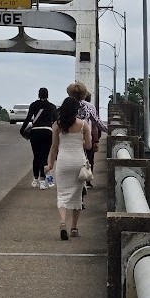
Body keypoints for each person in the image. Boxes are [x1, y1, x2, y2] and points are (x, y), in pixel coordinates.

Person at [46, 96, 92, 240]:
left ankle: (62, 222)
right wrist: (82, 141)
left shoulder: (57, 125)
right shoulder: (84, 125)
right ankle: (74, 227)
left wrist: (50, 164)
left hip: (64, 162)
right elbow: (89, 146)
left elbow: (54, 147)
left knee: (62, 195)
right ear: (76, 110)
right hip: (78, 163)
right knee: (77, 196)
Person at [66, 82, 107, 191]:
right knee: (86, 161)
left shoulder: (65, 106)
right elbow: (98, 123)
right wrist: (109, 130)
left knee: (71, 165)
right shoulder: (89, 107)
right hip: (84, 138)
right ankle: (84, 185)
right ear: (84, 94)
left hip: (70, 140)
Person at [19, 87, 58, 190]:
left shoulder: (34, 105)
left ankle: (35, 180)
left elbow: (28, 119)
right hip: (47, 132)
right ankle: (42, 181)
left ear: (38, 95)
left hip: (35, 132)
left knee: (36, 156)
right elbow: (55, 120)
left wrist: (22, 130)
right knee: (44, 156)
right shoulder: (52, 107)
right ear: (47, 95)